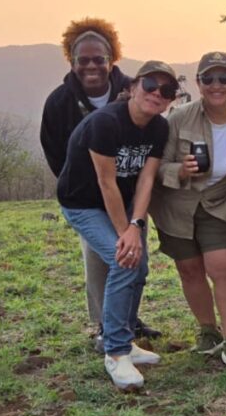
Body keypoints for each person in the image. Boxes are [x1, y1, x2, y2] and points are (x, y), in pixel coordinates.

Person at [40, 17, 160, 350]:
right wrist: (79, 185)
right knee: (103, 259)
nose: (91, 66)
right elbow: (54, 151)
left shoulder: (132, 92)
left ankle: (126, 322)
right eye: (83, 60)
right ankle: (105, 328)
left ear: (112, 60)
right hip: (87, 199)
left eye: (99, 59)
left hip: (129, 194)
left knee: (137, 258)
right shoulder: (59, 102)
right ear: (72, 61)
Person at [57, 61, 178, 390]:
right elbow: (106, 182)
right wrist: (126, 233)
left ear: (171, 100)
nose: (157, 94)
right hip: (82, 202)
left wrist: (136, 224)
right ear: (134, 85)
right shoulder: (106, 123)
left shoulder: (158, 128)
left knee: (137, 265)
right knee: (123, 259)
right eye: (151, 85)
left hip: (124, 201)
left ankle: (123, 339)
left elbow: (146, 179)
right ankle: (115, 352)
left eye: (166, 91)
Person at [150, 51, 226, 369]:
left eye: (224, 78)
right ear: (199, 84)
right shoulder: (179, 118)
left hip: (218, 203)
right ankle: (207, 331)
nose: (217, 85)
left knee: (224, 267)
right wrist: (180, 171)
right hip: (177, 204)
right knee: (189, 269)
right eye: (209, 79)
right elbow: (156, 168)